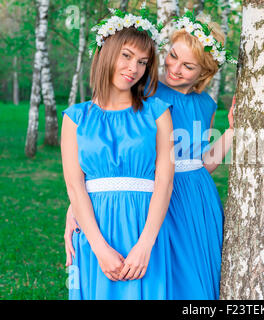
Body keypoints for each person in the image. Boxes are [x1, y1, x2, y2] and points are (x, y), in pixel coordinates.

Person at [64, 11, 235, 299]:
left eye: (188, 66)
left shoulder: (206, 104)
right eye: (172, 56)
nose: (175, 68)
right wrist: (76, 206)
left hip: (192, 192)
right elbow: (111, 147)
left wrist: (232, 131)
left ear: (203, 73)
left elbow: (202, 161)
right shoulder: (146, 90)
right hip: (154, 190)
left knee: (194, 274)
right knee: (164, 273)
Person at [61, 9, 174, 299]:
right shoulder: (75, 117)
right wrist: (99, 248)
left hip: (145, 225)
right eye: (126, 55)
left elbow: (164, 182)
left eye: (142, 62)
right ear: (107, 52)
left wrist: (145, 245)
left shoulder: (157, 113)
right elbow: (75, 185)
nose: (133, 68)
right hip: (95, 227)